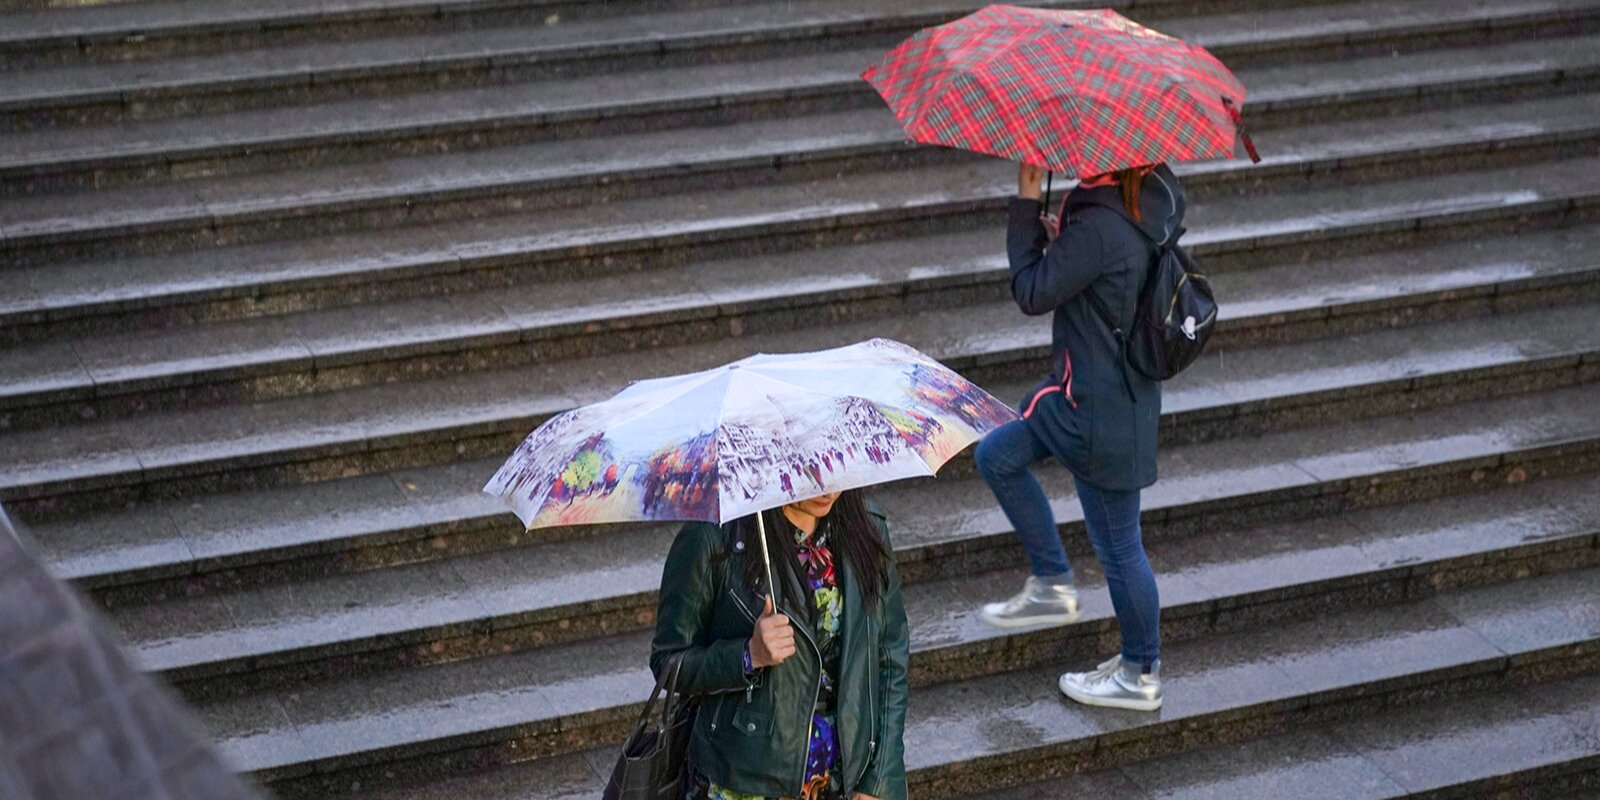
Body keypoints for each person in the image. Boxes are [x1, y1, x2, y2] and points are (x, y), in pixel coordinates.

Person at [973, 161, 1186, 712]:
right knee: (997, 456)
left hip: (1095, 413)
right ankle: (1051, 584)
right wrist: (1062, 244)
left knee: (1119, 549)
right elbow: (1095, 273)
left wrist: (1024, 200)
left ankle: (1140, 671)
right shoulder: (1130, 205)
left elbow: (1031, 290)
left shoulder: (1100, 227)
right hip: (1091, 395)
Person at [651, 489, 909, 800]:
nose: (828, 487)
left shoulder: (865, 525)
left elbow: (889, 658)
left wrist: (878, 779)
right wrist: (747, 656)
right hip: (747, 776)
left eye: (834, 467)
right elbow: (668, 661)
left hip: (844, 775)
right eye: (811, 468)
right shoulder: (712, 536)